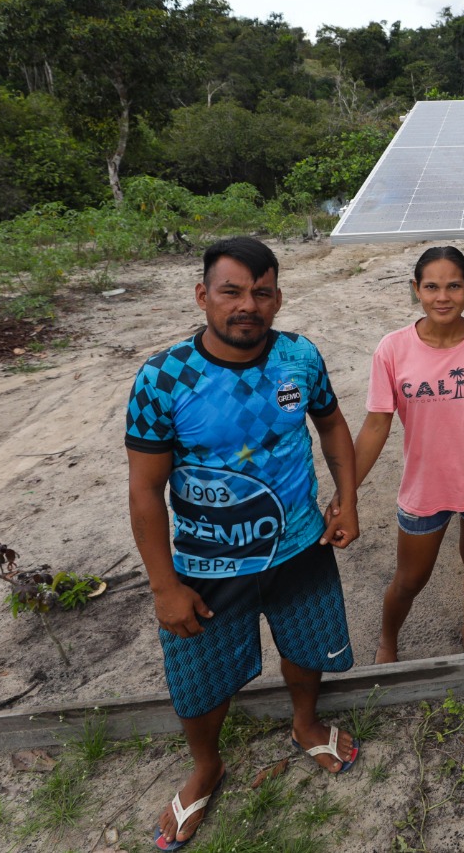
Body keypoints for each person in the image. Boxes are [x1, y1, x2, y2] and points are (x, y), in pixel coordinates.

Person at [126, 237, 362, 851]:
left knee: (306, 648)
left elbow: (331, 424)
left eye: (261, 292)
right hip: (207, 564)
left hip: (300, 546)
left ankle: (305, 724)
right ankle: (207, 766)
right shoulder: (163, 378)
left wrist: (349, 497)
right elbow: (147, 491)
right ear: (203, 295)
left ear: (277, 297)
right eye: (231, 291)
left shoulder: (299, 357)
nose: (247, 305)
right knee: (199, 679)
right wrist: (163, 585)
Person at [355, 245, 464, 664]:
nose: (442, 297)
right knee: (410, 578)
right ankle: (387, 640)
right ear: (416, 290)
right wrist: (347, 490)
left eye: (453, 286)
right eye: (431, 287)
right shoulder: (392, 350)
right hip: (425, 484)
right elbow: (377, 424)